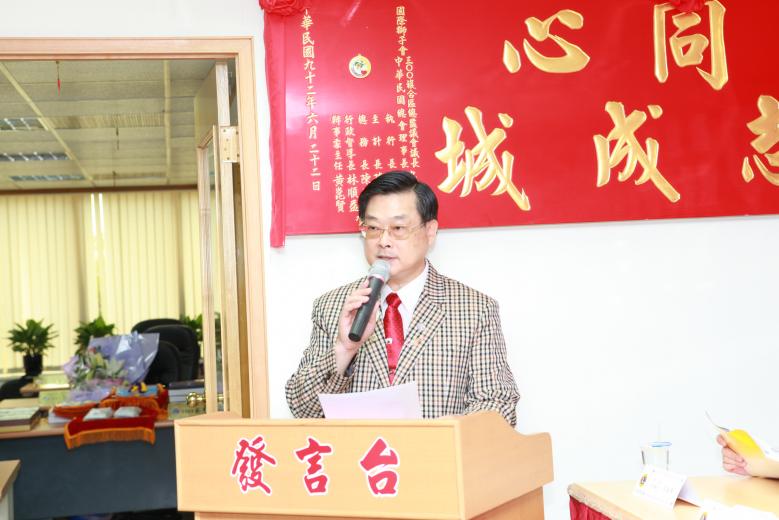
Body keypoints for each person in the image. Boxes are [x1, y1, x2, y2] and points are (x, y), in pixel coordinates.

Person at [285, 170, 520, 426]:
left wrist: (440, 436)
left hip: (436, 452)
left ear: (430, 231)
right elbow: (303, 409)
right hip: (361, 453)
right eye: (373, 228)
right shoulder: (332, 307)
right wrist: (344, 349)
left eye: (398, 228)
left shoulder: (474, 310)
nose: (383, 241)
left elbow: (498, 405)